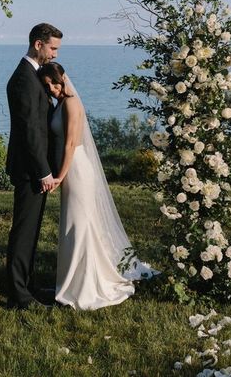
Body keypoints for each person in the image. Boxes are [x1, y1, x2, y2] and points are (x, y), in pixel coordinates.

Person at [37, 62, 159, 310]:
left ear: (62, 79)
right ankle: (72, 282)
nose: (51, 88)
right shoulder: (59, 104)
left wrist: (59, 175)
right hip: (70, 169)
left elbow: (71, 144)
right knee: (77, 225)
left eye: (53, 82)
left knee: (79, 225)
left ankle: (85, 285)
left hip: (77, 169)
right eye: (46, 85)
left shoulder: (71, 103)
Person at [5, 23, 63, 310]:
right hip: (30, 170)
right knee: (23, 231)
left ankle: (27, 284)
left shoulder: (33, 76)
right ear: (38, 44)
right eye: (52, 48)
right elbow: (30, 131)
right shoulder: (23, 79)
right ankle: (18, 295)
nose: (54, 55)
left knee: (32, 231)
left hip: (35, 169)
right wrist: (44, 171)